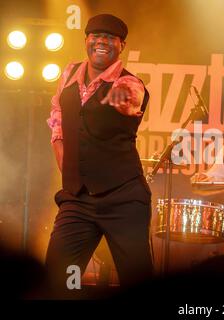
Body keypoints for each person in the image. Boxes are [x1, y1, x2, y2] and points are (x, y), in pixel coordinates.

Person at [45, 13, 152, 297]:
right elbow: (57, 119)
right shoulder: (68, 73)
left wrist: (123, 98)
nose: (102, 42)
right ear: (87, 40)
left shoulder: (129, 83)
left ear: (121, 46)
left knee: (136, 281)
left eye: (110, 38)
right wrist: (70, 177)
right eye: (96, 36)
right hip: (77, 201)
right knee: (60, 279)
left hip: (124, 200)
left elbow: (134, 94)